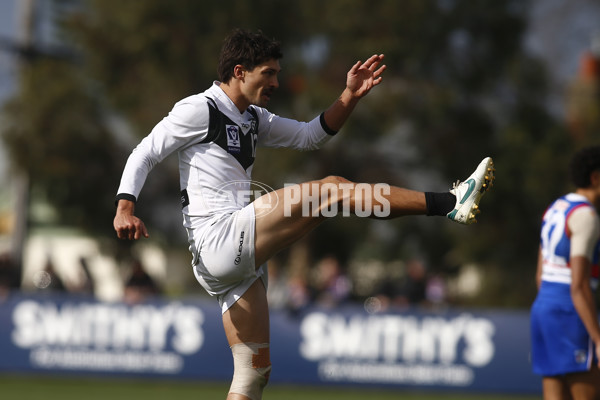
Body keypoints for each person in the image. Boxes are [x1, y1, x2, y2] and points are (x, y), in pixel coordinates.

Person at [113, 29, 494, 400]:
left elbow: (312, 135)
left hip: (229, 258)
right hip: (220, 237)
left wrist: (349, 95)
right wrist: (125, 207)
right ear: (239, 71)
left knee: (252, 373)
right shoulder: (200, 108)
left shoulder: (253, 117)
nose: (276, 82)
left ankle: (449, 204)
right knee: (331, 189)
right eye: (269, 73)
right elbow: (145, 152)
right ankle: (449, 202)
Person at [531, 145, 600, 400]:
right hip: (570, 313)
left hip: (542, 310)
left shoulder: (555, 208)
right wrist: (598, 338)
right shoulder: (586, 216)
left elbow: (540, 275)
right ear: (595, 178)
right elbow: (579, 286)